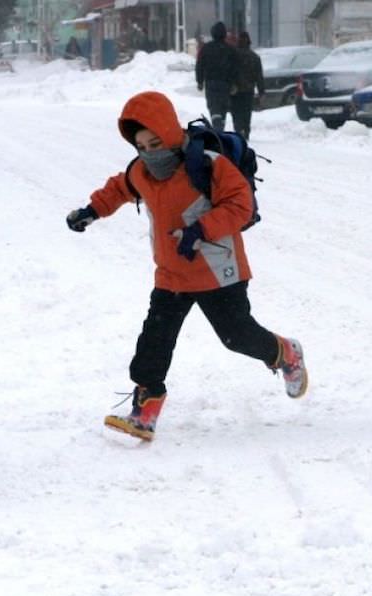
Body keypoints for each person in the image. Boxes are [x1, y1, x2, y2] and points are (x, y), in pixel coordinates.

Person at [65, 91, 308, 442]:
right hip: (172, 273)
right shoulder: (141, 172)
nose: (150, 151)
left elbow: (240, 204)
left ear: (169, 132)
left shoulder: (208, 166)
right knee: (154, 341)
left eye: (156, 141)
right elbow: (119, 188)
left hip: (217, 269)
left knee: (237, 336)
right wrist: (91, 211)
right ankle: (145, 409)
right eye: (142, 146)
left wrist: (201, 229)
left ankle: (284, 352)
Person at [194, 21, 237, 132]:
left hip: (211, 83)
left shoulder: (206, 48)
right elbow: (235, 68)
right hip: (225, 83)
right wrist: (233, 83)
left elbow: (200, 65)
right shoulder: (230, 49)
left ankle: (217, 128)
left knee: (214, 107)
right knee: (222, 107)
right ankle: (220, 128)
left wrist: (199, 81)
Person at [231, 31, 264, 140]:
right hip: (249, 89)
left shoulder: (233, 55)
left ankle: (238, 130)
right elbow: (259, 76)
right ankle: (246, 131)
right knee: (246, 112)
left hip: (235, 90)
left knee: (236, 111)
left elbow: (228, 72)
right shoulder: (254, 57)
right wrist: (261, 91)